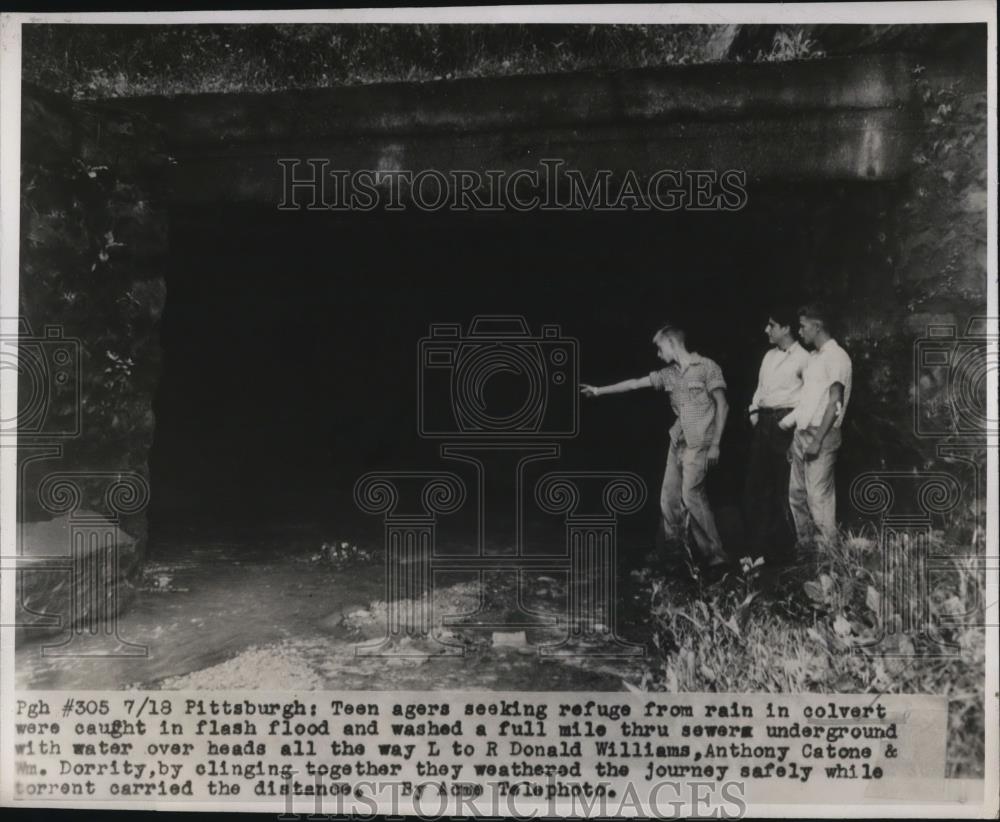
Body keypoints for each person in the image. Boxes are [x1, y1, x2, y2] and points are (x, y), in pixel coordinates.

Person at [580, 324, 729, 574]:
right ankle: (675, 557)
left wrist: (716, 445)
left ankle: (717, 558)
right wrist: (598, 390)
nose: (658, 354)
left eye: (660, 348)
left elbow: (723, 406)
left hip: (700, 442)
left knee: (692, 496)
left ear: (672, 343)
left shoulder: (707, 366)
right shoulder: (669, 374)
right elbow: (635, 384)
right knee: (669, 499)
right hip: (678, 441)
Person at [779, 304, 853, 549]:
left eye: (802, 326)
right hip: (803, 434)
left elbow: (835, 402)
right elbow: (807, 401)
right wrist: (795, 436)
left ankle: (829, 560)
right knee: (797, 496)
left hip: (822, 433)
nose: (799, 332)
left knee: (818, 498)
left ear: (817, 325)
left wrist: (818, 440)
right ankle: (807, 552)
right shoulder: (814, 358)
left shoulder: (837, 356)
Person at [745, 307, 810, 564]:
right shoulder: (769, 356)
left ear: (786, 328)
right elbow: (760, 388)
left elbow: (810, 398)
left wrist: (788, 422)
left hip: (786, 423)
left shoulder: (804, 358)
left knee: (787, 488)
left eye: (772, 325)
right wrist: (753, 411)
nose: (766, 330)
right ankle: (757, 550)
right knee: (757, 486)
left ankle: (793, 553)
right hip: (763, 422)